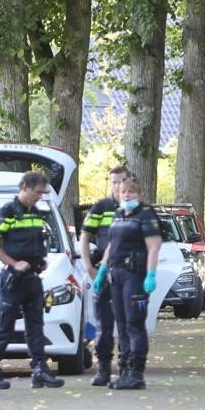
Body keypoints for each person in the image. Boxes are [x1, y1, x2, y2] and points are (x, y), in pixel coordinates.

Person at [0, 170, 64, 390]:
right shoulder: (8, 212)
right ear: (24, 187)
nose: (40, 196)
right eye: (37, 192)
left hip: (33, 280)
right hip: (13, 281)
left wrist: (41, 261)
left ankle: (40, 370)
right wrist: (13, 263)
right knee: (4, 329)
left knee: (36, 327)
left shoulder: (36, 213)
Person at [90, 176, 162, 390]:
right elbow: (112, 244)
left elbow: (154, 246)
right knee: (121, 325)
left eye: (131, 192)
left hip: (135, 274)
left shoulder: (146, 215)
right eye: (123, 192)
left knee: (134, 324)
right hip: (116, 273)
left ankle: (136, 373)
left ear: (139, 194)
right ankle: (124, 371)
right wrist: (102, 269)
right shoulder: (119, 214)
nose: (127, 195)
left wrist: (151, 274)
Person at [78, 164, 129, 387]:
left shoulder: (135, 208)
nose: (117, 186)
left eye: (121, 181)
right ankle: (104, 370)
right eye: (114, 182)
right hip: (104, 272)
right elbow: (85, 237)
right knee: (103, 324)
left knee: (128, 324)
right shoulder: (100, 208)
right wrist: (89, 267)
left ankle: (126, 368)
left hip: (128, 273)